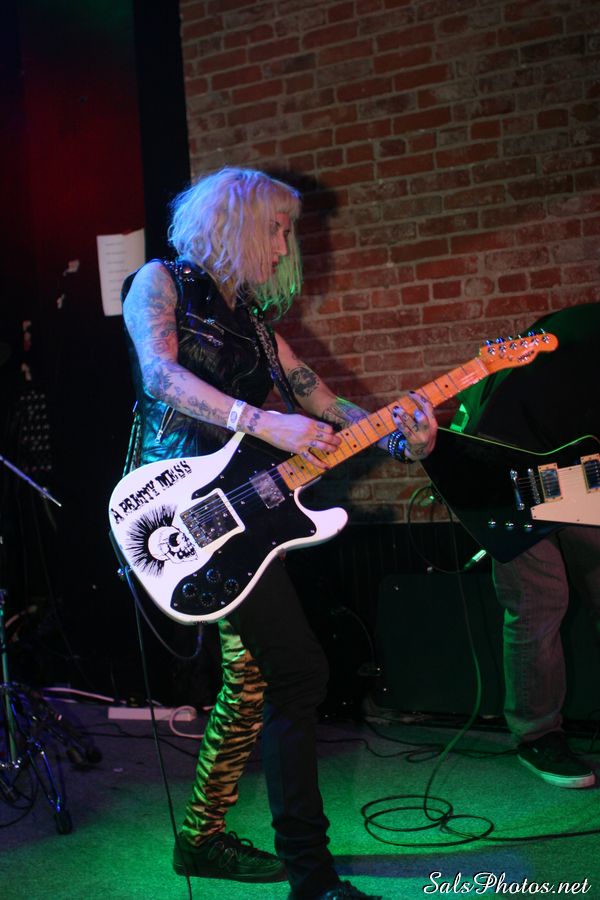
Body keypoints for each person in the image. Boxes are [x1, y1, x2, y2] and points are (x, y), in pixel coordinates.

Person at [121, 167, 437, 900]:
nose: (283, 245)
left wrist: (401, 437)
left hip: (245, 512)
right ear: (233, 223)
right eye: (275, 227)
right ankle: (311, 877)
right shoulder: (160, 283)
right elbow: (159, 376)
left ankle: (201, 836)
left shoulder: (257, 327)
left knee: (256, 675)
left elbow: (319, 400)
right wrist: (262, 422)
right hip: (175, 511)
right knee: (296, 671)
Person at [454, 302, 600, 789]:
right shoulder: (585, 331)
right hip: (495, 465)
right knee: (540, 598)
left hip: (566, 465)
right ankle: (537, 736)